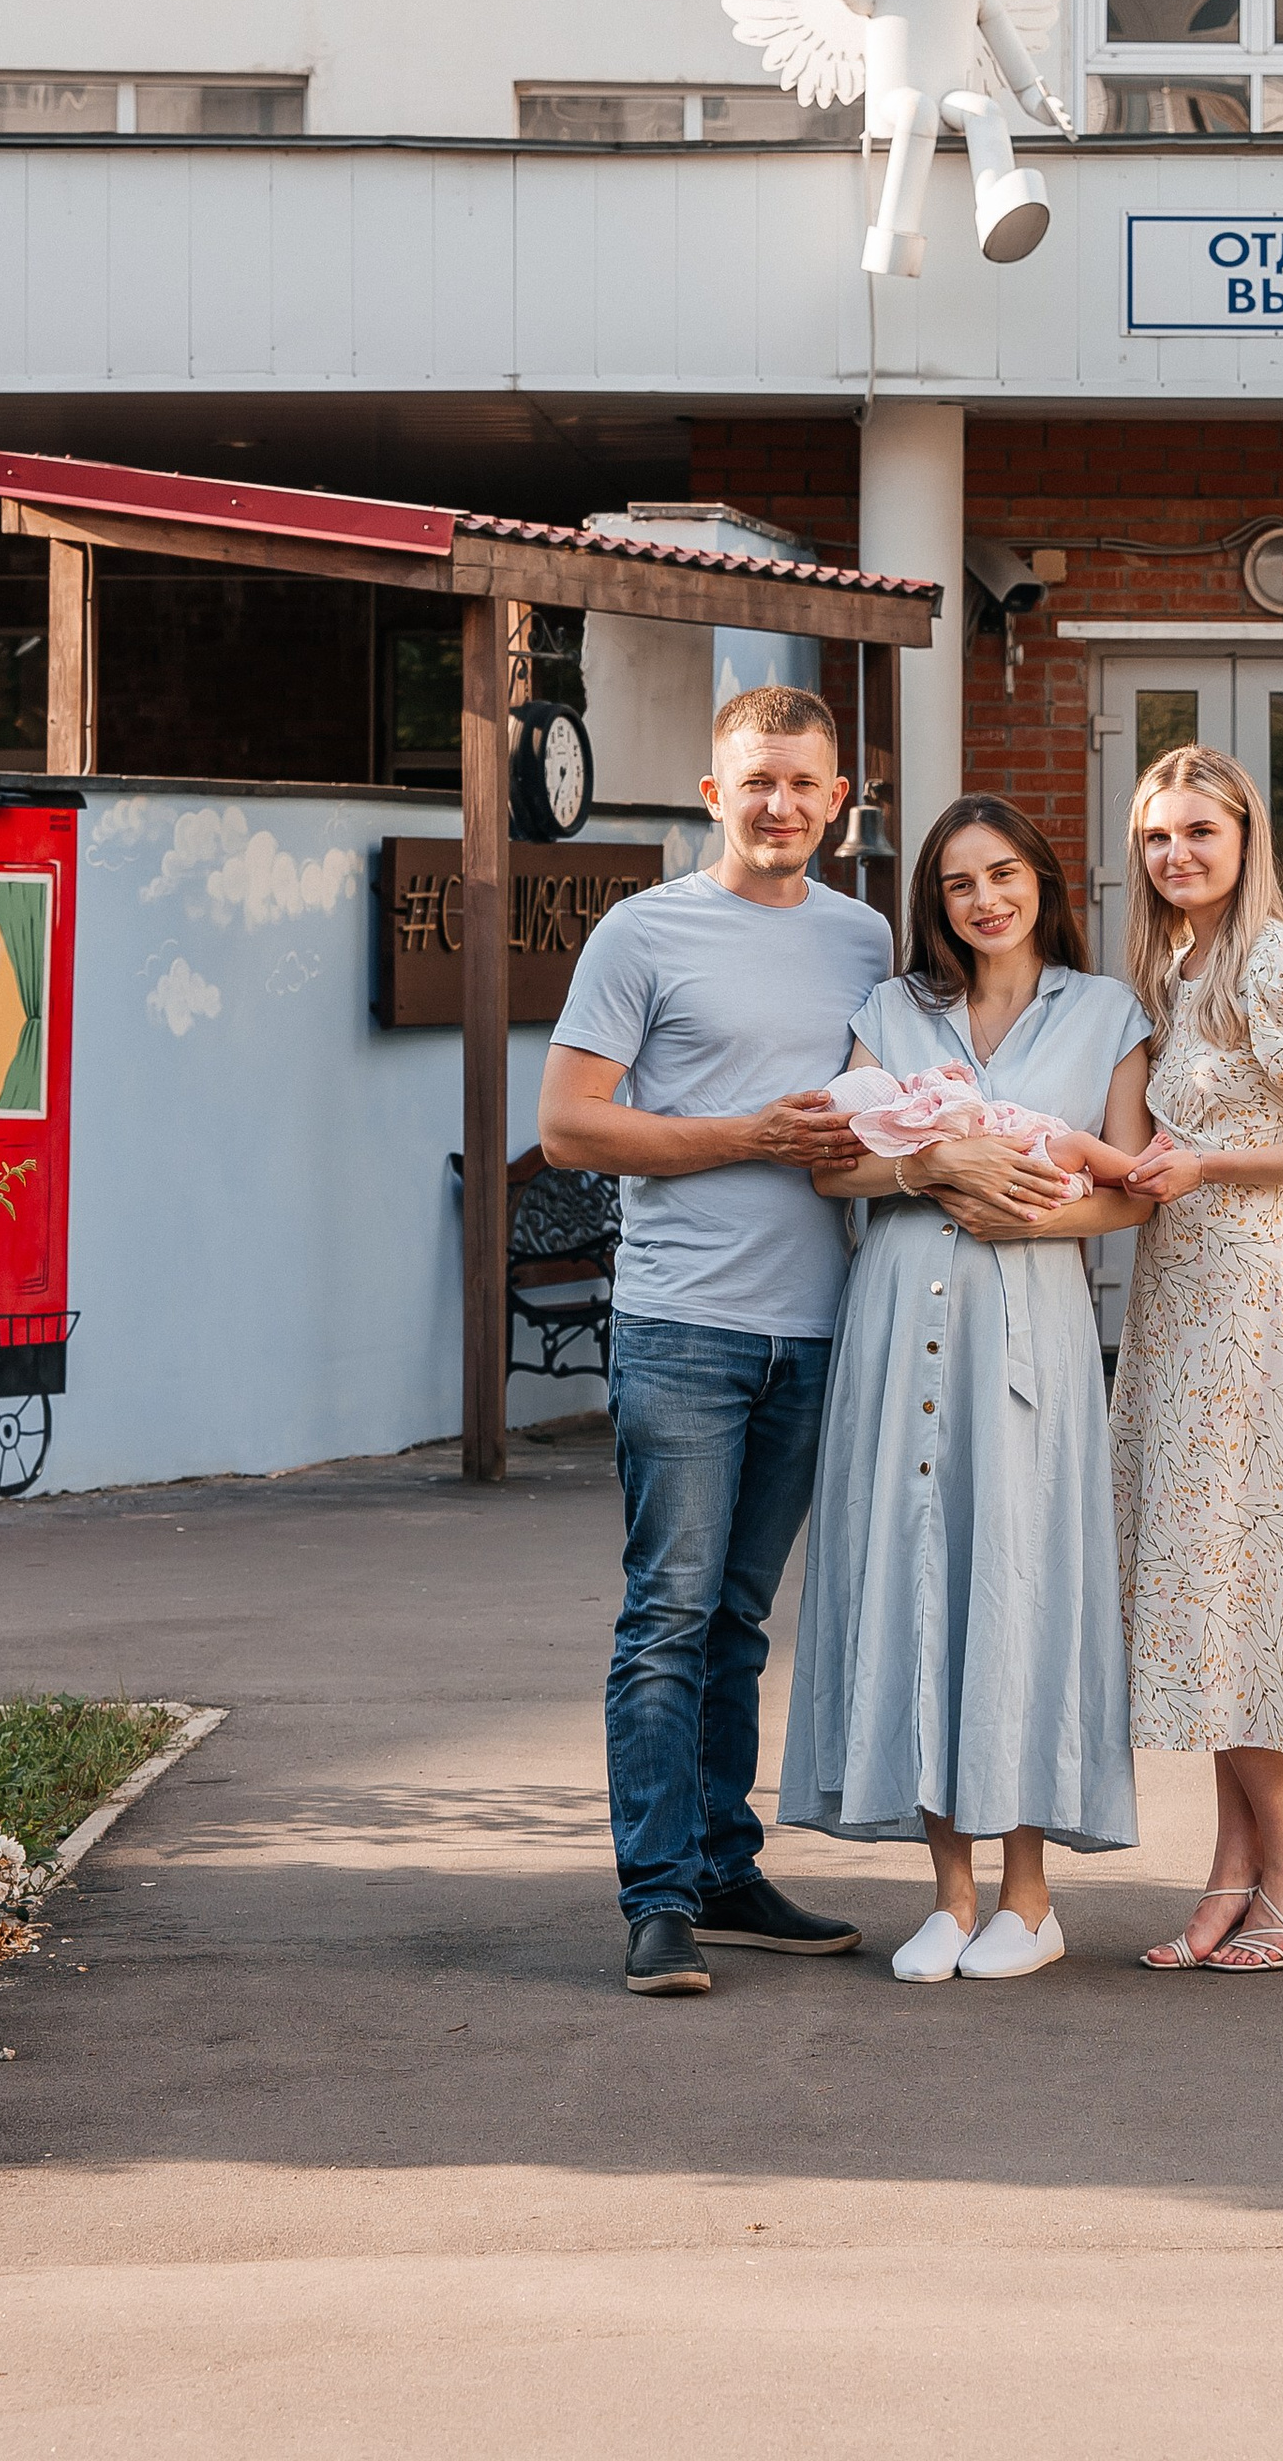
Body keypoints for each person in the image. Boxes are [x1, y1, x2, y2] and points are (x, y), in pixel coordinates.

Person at [542, 685, 891, 1998]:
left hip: (816, 1328)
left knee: (739, 1619)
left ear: (837, 801)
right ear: (714, 794)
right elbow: (570, 1124)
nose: (780, 804)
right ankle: (658, 1901)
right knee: (669, 1615)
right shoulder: (643, 931)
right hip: (683, 1326)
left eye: (804, 784)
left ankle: (725, 1868)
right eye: (757, 781)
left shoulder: (865, 937)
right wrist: (749, 1135)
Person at [777, 795, 1157, 1981]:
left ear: (1041, 880)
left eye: (1002, 875)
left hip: (1028, 1335)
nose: (984, 899)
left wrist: (1026, 1216)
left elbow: (1132, 1194)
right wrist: (931, 1165)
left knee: (1019, 1586)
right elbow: (835, 1171)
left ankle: (1028, 1903)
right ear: (933, 903)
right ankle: (948, 1895)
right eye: (958, 884)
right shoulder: (892, 1011)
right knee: (917, 1583)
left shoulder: (1106, 1014)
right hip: (899, 1334)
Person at [1110, 743, 1283, 1977]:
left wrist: (1212, 1164)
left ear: (1242, 840)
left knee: (1244, 1584)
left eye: (1198, 833)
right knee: (1203, 1586)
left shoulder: (1278, 961)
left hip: (1252, 1313)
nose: (1176, 854)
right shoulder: (1172, 968)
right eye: (1157, 835)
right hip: (1175, 1305)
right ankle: (1237, 1865)